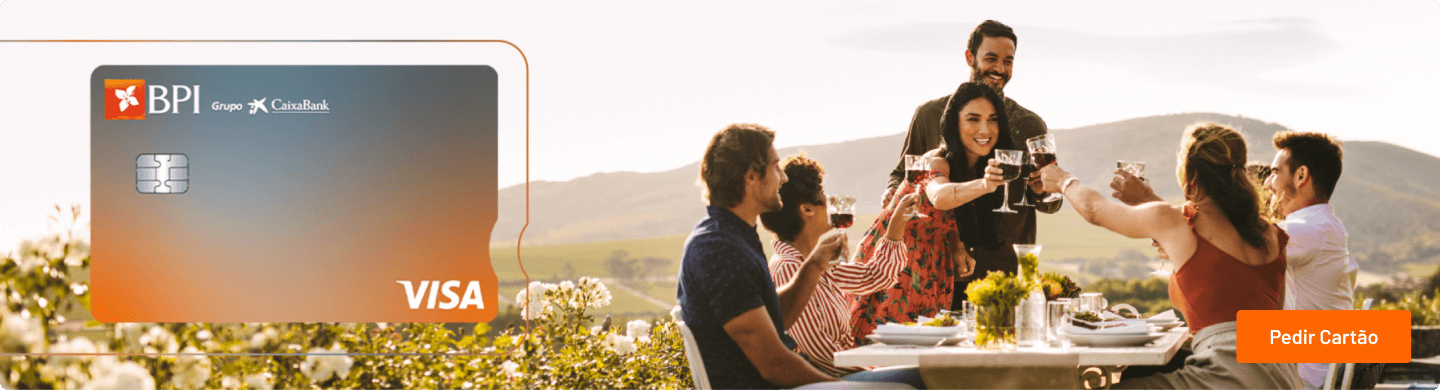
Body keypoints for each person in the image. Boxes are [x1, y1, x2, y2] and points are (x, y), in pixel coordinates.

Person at [1039, 123, 1303, 389]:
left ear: (1191, 175)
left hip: (1227, 377)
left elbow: (1094, 209)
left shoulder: (1177, 222)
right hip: (1282, 377)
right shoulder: (1271, 234)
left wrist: (1063, 181)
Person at [677, 123, 911, 390]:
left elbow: (775, 321)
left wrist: (813, 266)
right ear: (751, 176)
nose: (783, 177)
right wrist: (845, 388)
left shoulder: (734, 237)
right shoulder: (719, 249)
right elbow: (773, 364)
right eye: (776, 167)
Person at [880, 20, 1061, 308]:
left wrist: (1042, 191)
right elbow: (903, 174)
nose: (1000, 69)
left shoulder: (1029, 124)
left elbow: (1051, 202)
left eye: (1008, 60)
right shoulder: (930, 114)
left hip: (1001, 266)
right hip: (936, 264)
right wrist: (893, 193)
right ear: (969, 58)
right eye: (991, 58)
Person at [851, 81, 1006, 345]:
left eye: (992, 119)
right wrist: (985, 185)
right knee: (887, 351)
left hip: (933, 264)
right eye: (973, 119)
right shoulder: (935, 160)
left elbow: (944, 215)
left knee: (926, 349)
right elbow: (940, 196)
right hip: (896, 262)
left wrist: (956, 244)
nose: (985, 129)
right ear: (953, 124)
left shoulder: (976, 165)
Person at [759, 152, 927, 388]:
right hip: (824, 383)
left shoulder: (818, 262)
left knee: (927, 372)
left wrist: (897, 222)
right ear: (807, 209)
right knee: (923, 376)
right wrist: (874, 370)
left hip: (841, 375)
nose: (832, 202)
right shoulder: (788, 268)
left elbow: (874, 276)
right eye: (825, 197)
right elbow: (820, 354)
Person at [1264, 131, 1356, 389]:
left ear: (1301, 175)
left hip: (1306, 379)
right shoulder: (1324, 227)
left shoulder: (1310, 229)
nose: (1268, 183)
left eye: (1274, 172)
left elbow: (1238, 243)